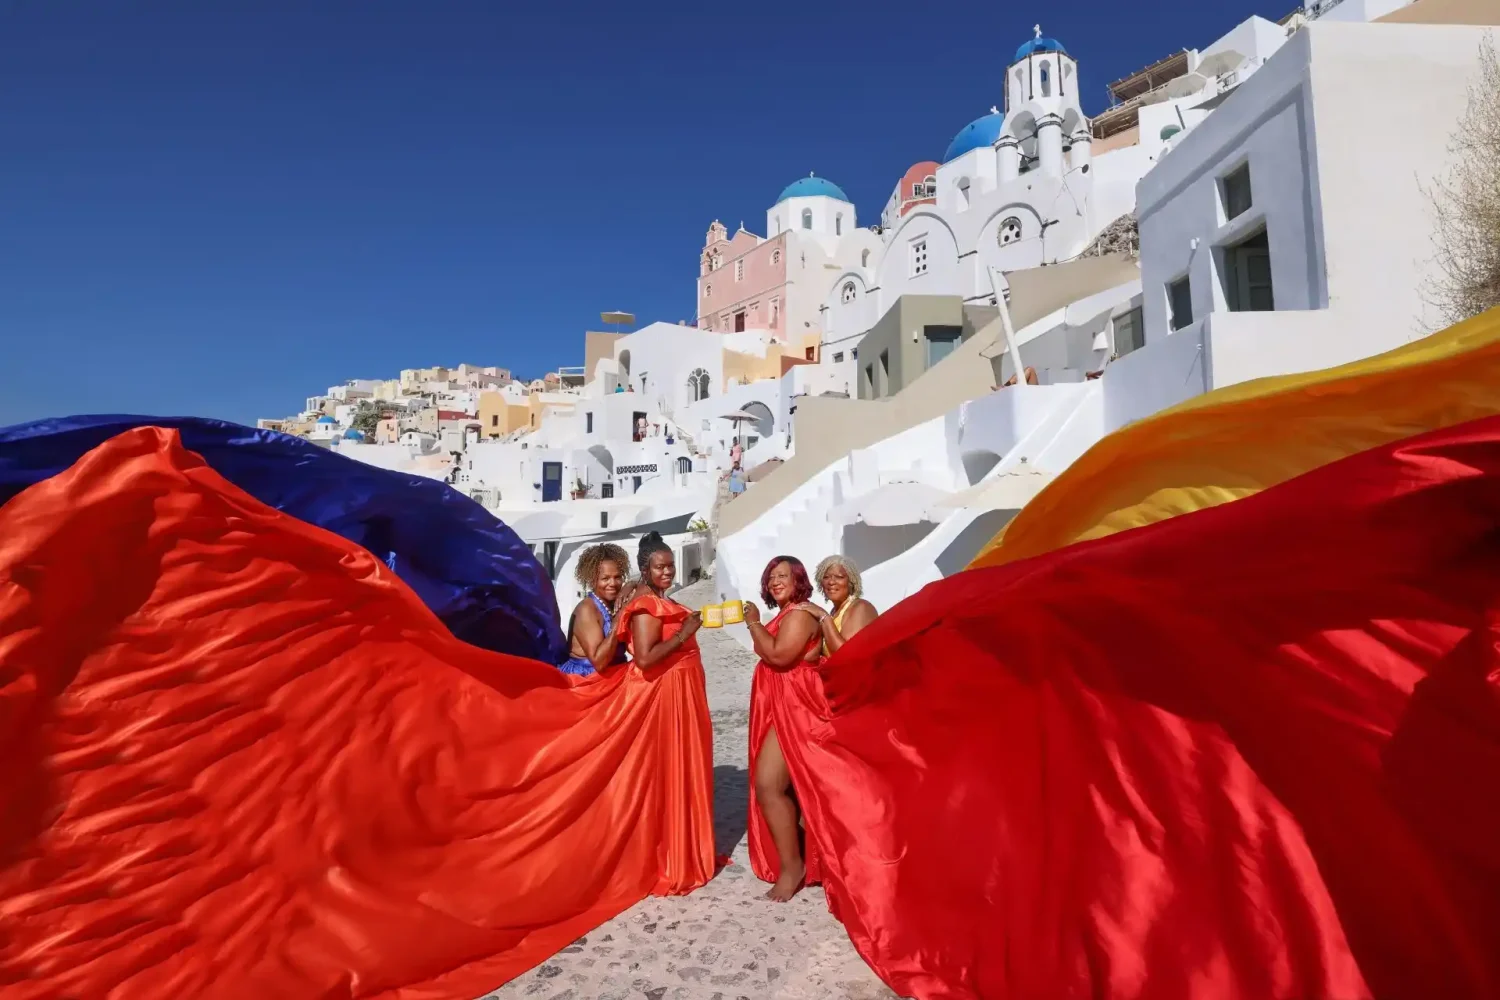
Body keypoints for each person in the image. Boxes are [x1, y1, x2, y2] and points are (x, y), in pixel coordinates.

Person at [612, 532, 719, 885]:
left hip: (684, 691)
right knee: (675, 769)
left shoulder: (656, 599)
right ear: (646, 568)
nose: (669, 572)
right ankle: (673, 856)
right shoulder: (646, 605)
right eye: (660, 567)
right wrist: (683, 634)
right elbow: (644, 658)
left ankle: (686, 848)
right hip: (670, 694)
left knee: (688, 766)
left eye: (671, 565)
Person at [742, 556, 824, 901]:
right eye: (771, 577)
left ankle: (793, 867)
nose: (775, 582)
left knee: (768, 784)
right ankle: (799, 860)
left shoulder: (801, 614)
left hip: (798, 708)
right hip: (782, 707)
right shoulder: (789, 613)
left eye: (783, 576)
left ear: (798, 580)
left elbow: (778, 655)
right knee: (784, 789)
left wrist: (753, 624)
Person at [558, 543, 630, 676]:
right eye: (605, 578)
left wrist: (632, 584)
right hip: (586, 681)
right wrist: (619, 619)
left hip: (616, 675)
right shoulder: (586, 610)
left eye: (617, 577)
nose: (612, 583)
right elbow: (599, 663)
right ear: (592, 580)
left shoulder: (616, 602)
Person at [807, 554, 878, 659]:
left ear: (851, 582)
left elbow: (846, 655)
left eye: (839, 577)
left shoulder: (861, 607)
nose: (831, 582)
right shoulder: (833, 612)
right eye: (826, 577)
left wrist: (824, 617)